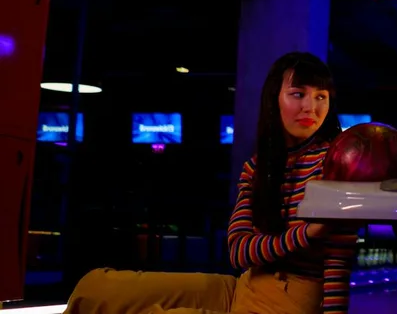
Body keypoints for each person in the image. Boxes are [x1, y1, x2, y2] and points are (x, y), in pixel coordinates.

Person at [66, 52, 358, 314]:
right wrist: (307, 233)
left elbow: (337, 268)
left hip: (292, 300)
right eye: (298, 94)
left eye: (321, 96)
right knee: (97, 288)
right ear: (274, 100)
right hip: (243, 288)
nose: (311, 107)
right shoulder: (257, 167)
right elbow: (239, 251)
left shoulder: (337, 164)